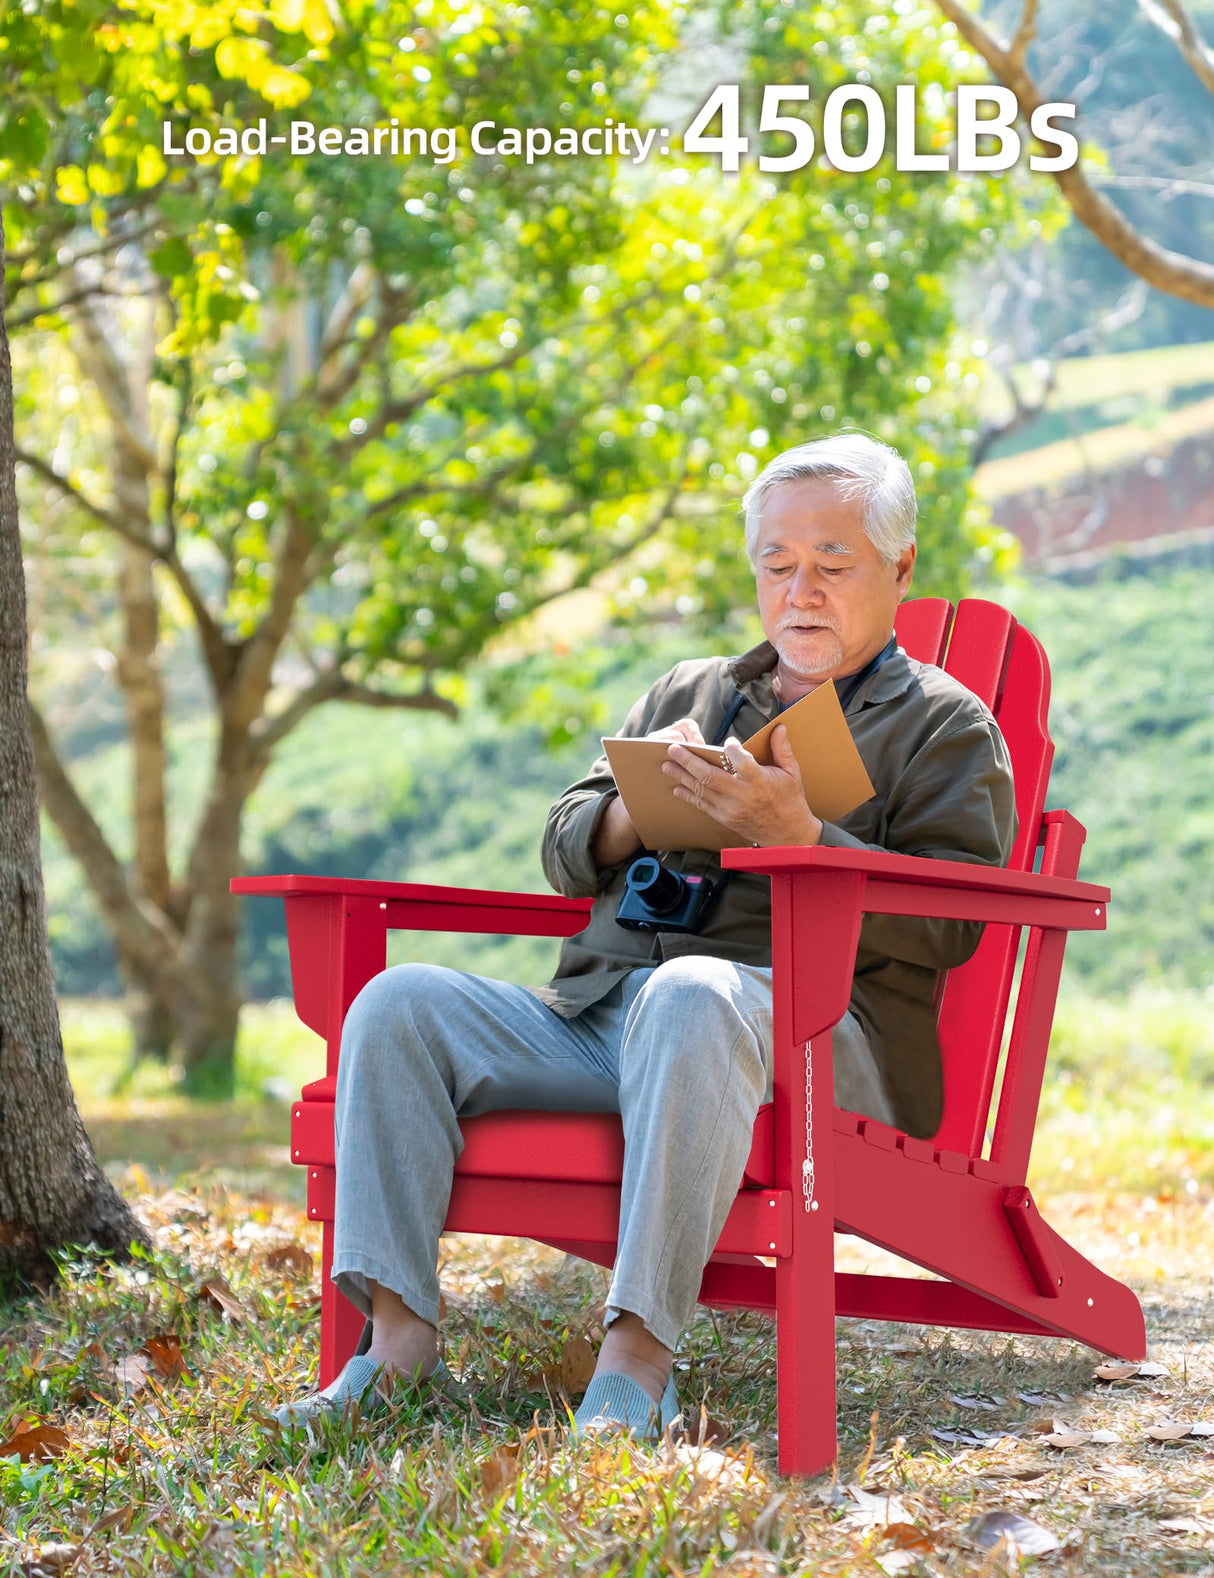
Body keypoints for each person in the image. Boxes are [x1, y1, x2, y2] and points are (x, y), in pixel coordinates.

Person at [276, 431, 1017, 1439]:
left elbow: (957, 921)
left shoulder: (944, 726)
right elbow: (561, 844)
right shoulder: (688, 692)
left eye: (832, 567)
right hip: (606, 1012)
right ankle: (396, 1345)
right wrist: (632, 812)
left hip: (807, 1034)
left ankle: (635, 1364)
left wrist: (799, 836)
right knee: (400, 1005)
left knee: (694, 992)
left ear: (897, 571)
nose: (801, 590)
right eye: (777, 565)